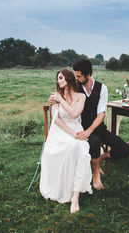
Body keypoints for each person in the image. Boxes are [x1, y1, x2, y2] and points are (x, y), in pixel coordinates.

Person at [40, 69, 92, 214]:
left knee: (81, 151)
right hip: (61, 132)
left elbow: (75, 114)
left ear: (68, 79)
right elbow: (56, 120)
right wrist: (73, 134)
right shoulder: (55, 97)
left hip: (77, 128)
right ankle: (65, 189)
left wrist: (61, 100)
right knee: (71, 146)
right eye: (57, 78)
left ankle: (75, 195)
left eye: (61, 78)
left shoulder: (81, 96)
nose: (58, 81)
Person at [73, 59, 129, 190]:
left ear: (88, 75)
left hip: (98, 128)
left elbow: (101, 114)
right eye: (75, 75)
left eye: (79, 76)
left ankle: (99, 159)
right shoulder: (75, 87)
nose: (76, 78)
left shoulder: (102, 88)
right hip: (80, 128)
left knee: (125, 149)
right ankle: (95, 175)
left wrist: (89, 131)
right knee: (94, 142)